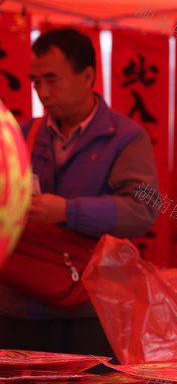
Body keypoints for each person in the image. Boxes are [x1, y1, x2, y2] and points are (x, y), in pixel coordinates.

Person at [0, 27, 159, 357]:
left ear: (87, 76)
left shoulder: (125, 137)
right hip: (18, 306)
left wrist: (67, 211)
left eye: (52, 79)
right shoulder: (23, 136)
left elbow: (142, 210)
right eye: (35, 81)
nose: (42, 91)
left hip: (90, 311)